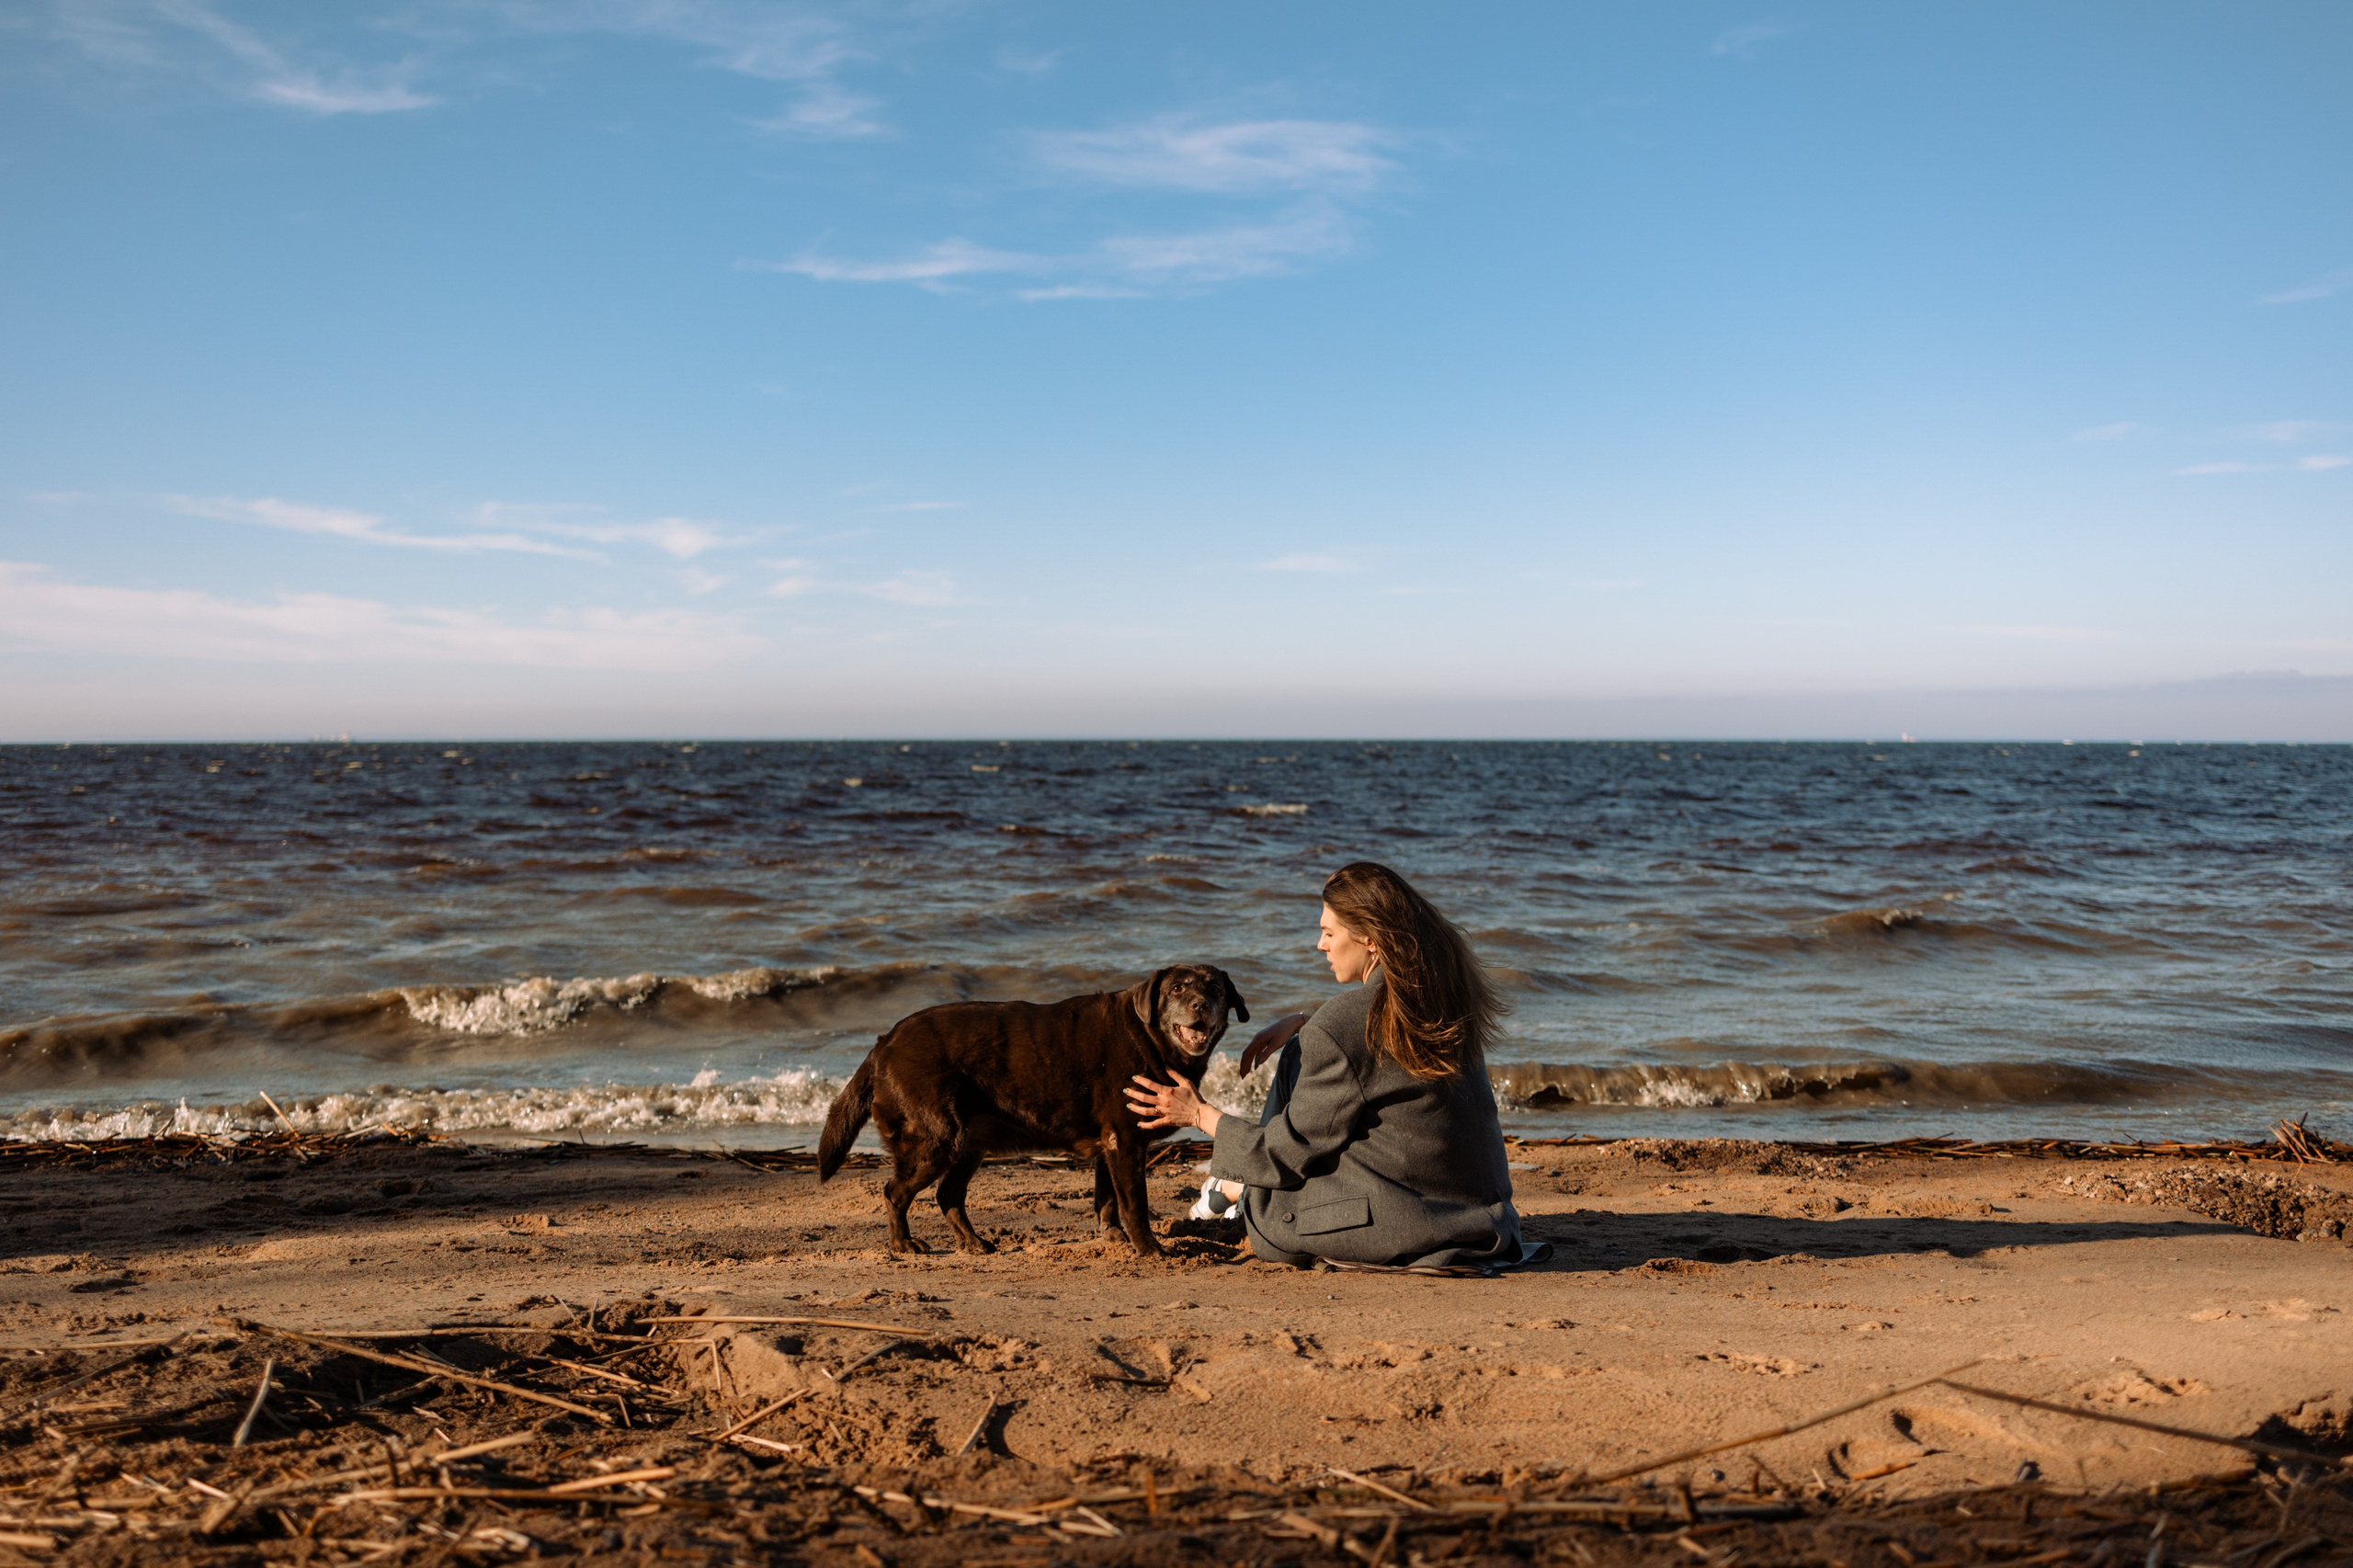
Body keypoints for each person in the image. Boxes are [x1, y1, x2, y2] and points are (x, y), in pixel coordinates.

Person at [1125, 861, 1542, 1270]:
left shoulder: (1345, 1023)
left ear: (1370, 940)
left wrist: (1197, 1113)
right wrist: (1306, 1024)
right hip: (1485, 1220)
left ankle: (1243, 1188)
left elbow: (1282, 1155)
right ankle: (1241, 1182)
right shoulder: (1444, 999)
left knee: (1272, 1215)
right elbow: (1372, 1052)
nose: (1320, 945)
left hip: (1415, 1227)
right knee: (1298, 1052)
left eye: (1328, 933)